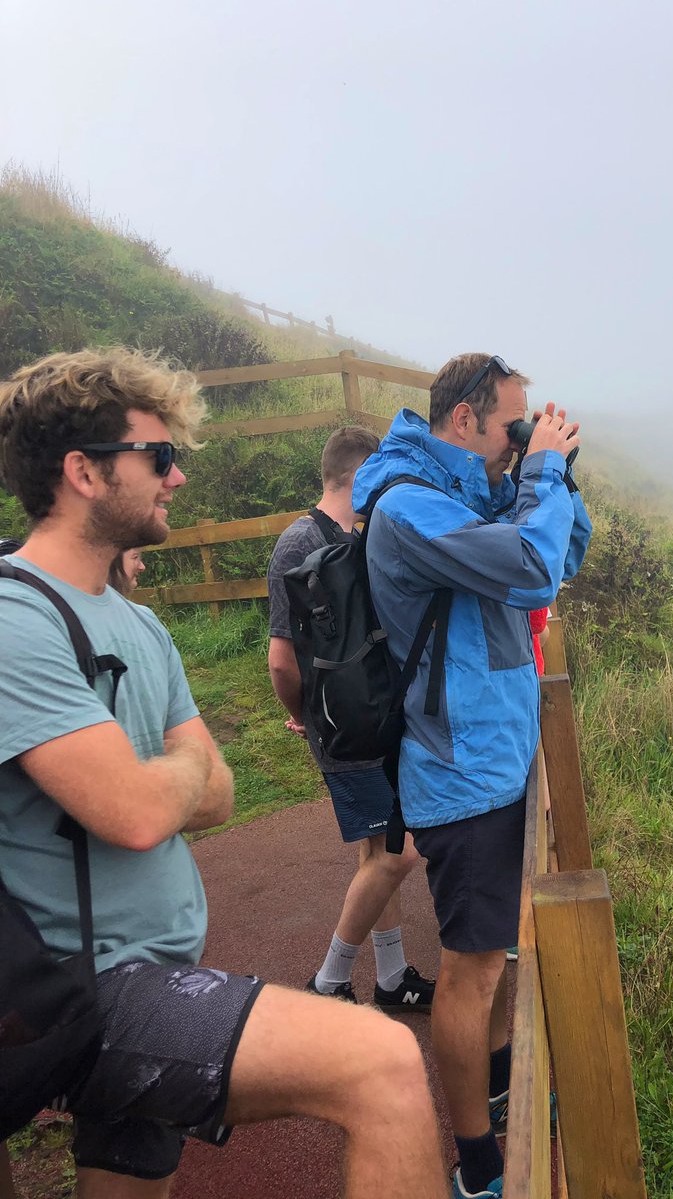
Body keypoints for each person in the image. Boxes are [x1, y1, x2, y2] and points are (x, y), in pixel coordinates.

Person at [0, 348, 448, 1199]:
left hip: (152, 966)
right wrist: (173, 774)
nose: (175, 479)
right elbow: (138, 812)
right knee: (382, 1060)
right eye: (159, 457)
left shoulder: (140, 626)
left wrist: (168, 782)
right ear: (83, 472)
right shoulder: (14, 620)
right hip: (83, 990)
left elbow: (223, 790)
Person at [352, 353, 592, 1199]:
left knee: (489, 956)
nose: (516, 440)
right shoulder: (414, 506)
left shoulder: (465, 489)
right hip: (462, 773)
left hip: (495, 756)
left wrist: (558, 472)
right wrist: (542, 473)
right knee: (471, 971)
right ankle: (479, 1165)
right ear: (463, 419)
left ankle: (496, 1089)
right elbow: (531, 566)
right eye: (508, 424)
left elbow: (566, 554)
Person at [267, 426, 435, 1009]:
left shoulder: (359, 534)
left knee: (379, 852)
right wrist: (308, 719)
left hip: (375, 720)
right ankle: (328, 980)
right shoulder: (297, 544)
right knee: (400, 852)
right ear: (361, 473)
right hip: (344, 728)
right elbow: (282, 660)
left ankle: (390, 978)